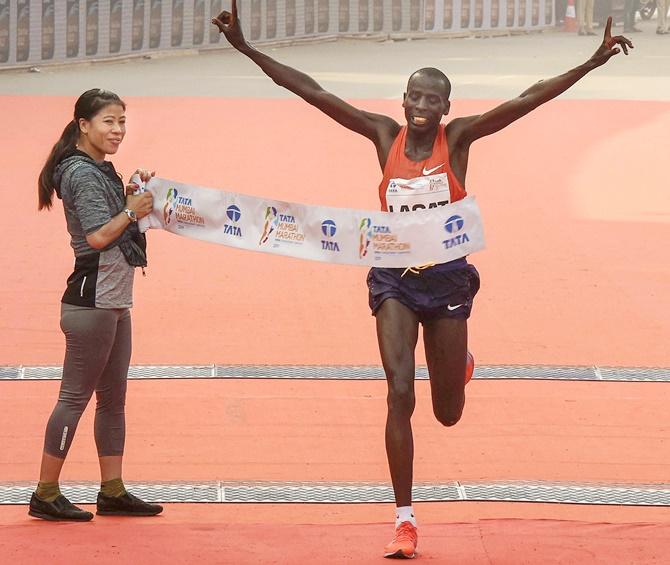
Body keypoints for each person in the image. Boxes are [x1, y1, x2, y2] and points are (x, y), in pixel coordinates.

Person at [213, 6, 632, 558]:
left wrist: (591, 62)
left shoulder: (457, 140)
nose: (422, 108)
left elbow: (528, 98)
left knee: (447, 412)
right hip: (394, 279)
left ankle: (458, 369)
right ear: (403, 100)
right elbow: (312, 92)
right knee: (400, 392)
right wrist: (244, 47)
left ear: (446, 109)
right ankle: (405, 519)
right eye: (415, 97)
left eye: (434, 100)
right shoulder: (382, 133)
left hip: (448, 280)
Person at [31, 89, 162, 521]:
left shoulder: (99, 168)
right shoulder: (82, 173)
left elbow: (112, 216)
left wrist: (130, 193)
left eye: (122, 121)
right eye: (109, 121)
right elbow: (98, 236)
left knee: (113, 400)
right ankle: (46, 492)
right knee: (74, 399)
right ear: (84, 125)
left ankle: (112, 489)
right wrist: (131, 208)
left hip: (113, 299)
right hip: (92, 302)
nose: (118, 130)